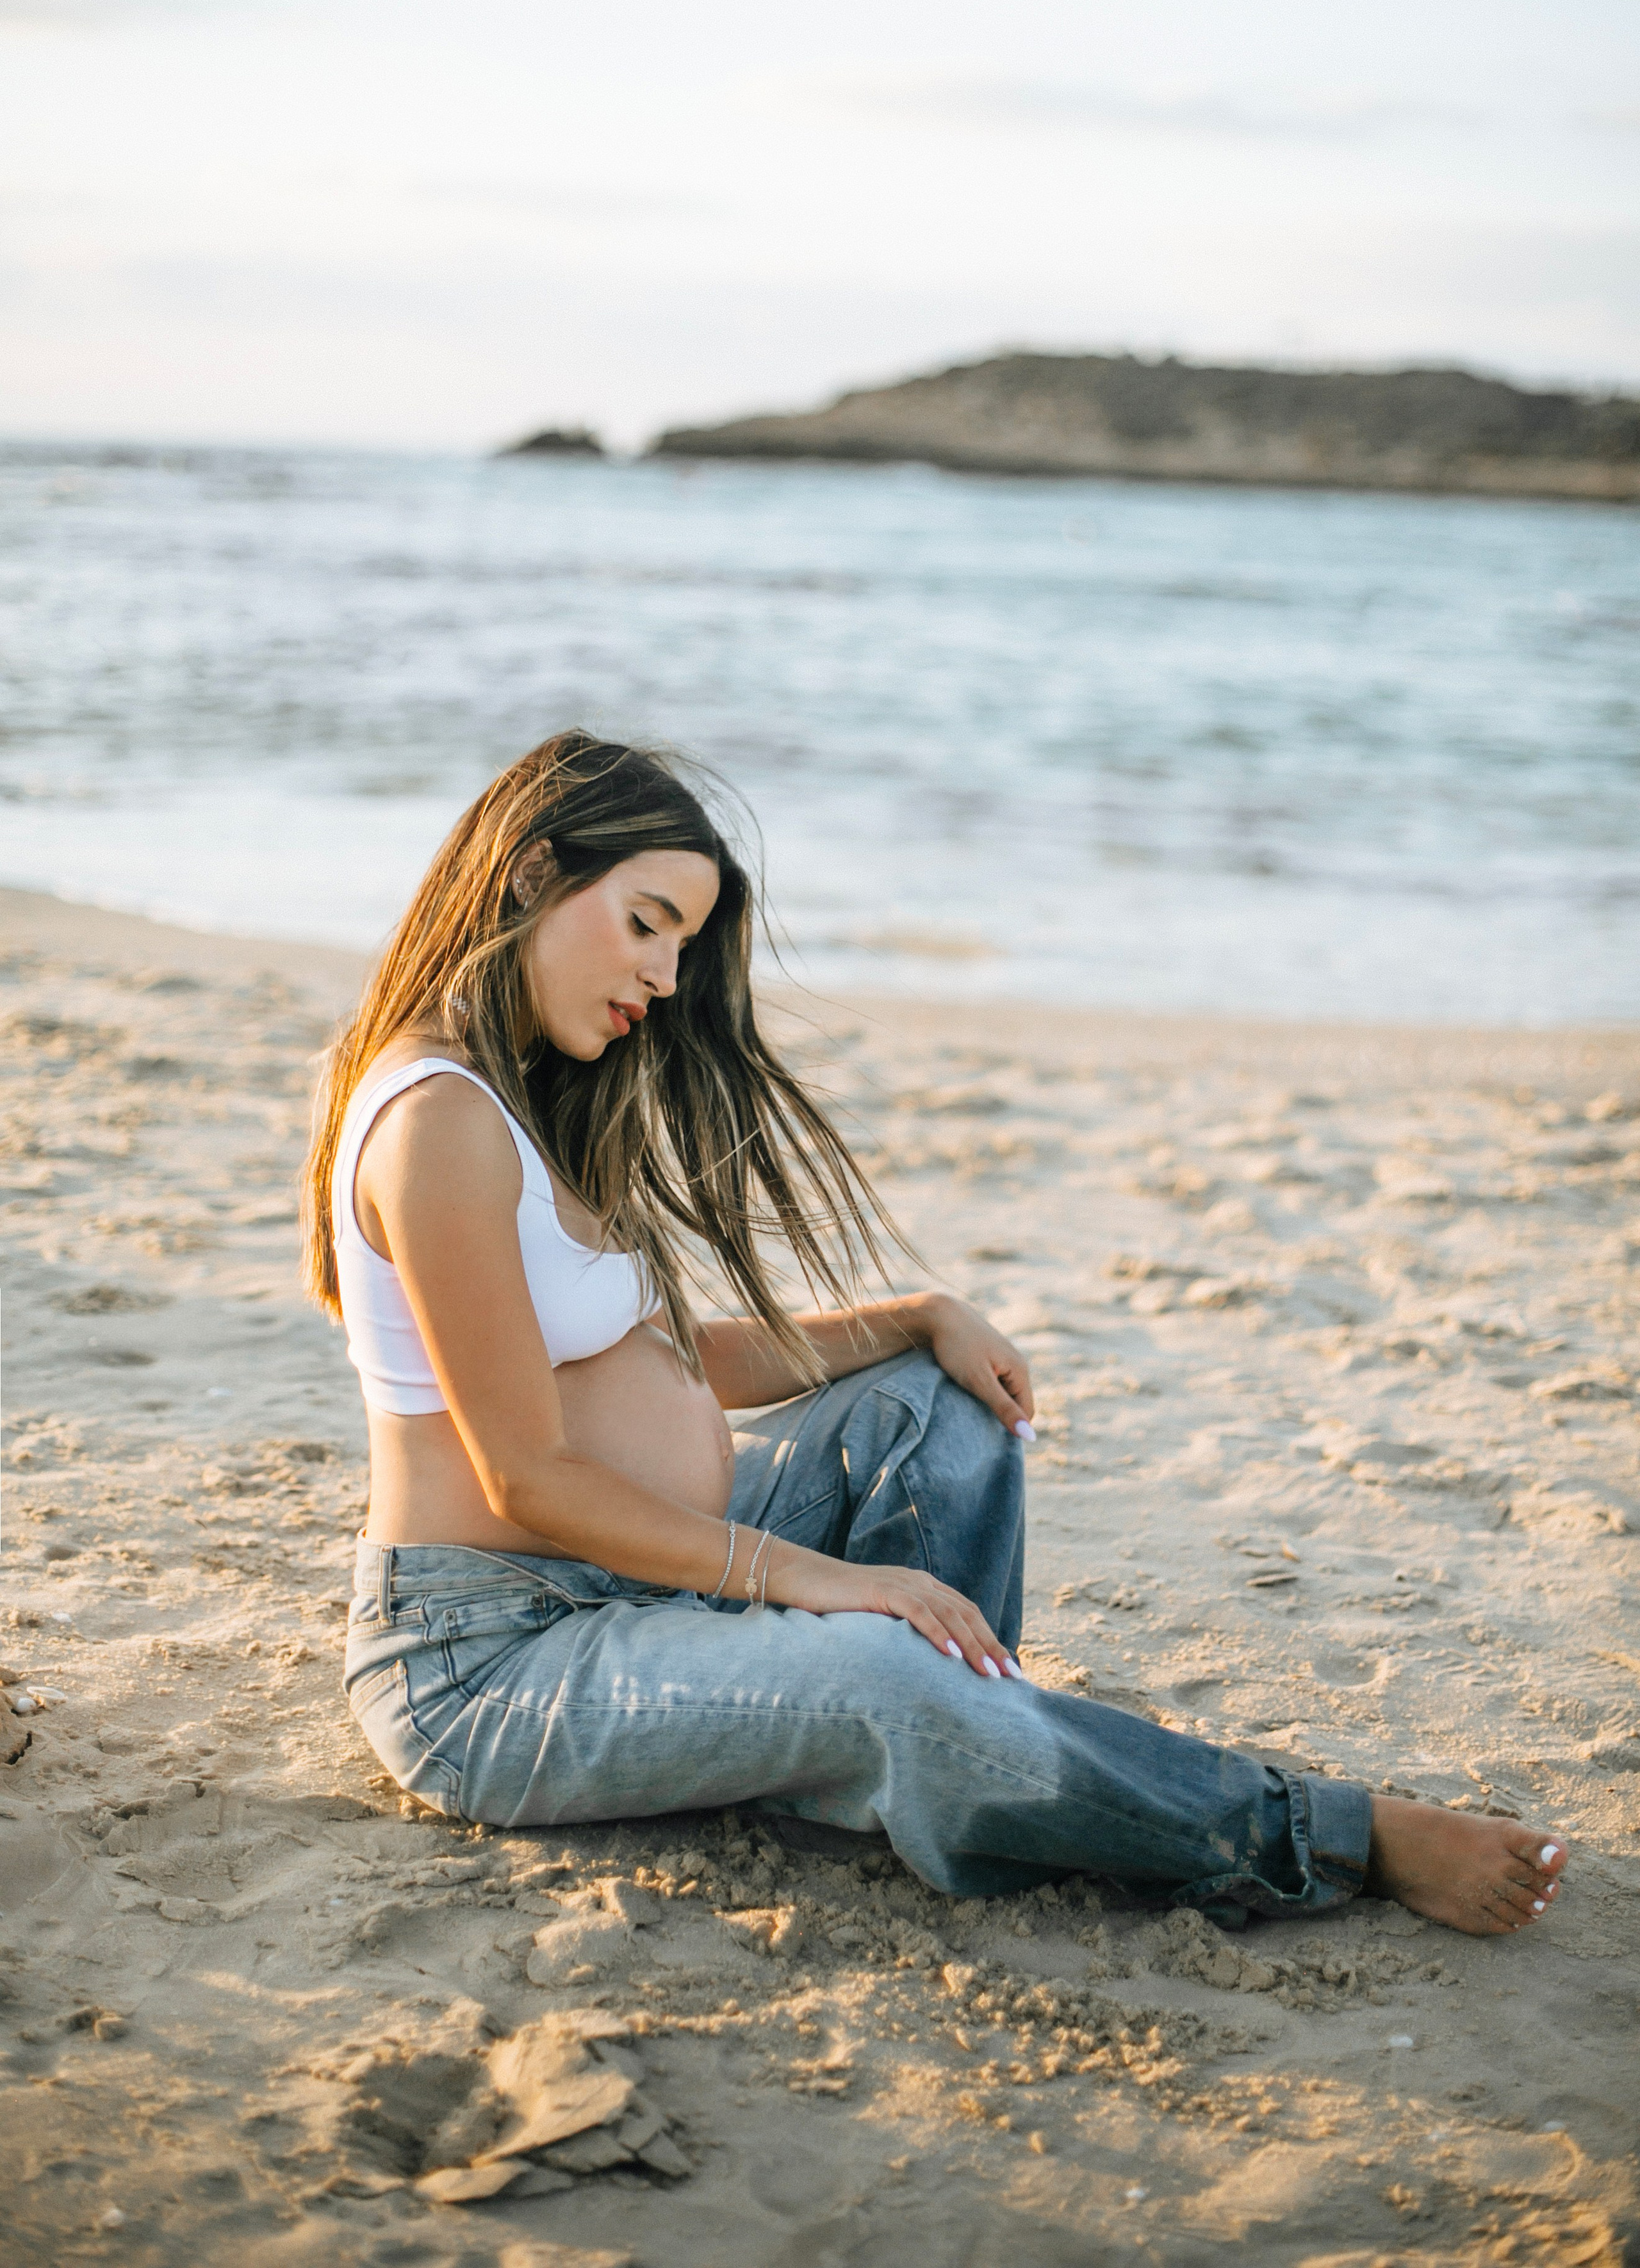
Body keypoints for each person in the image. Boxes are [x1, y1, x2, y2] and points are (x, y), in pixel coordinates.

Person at [306, 731, 1566, 1936]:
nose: (663, 978)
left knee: (933, 1400)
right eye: (644, 925)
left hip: (640, 1588)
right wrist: (822, 1582)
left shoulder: (525, 1101)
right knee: (880, 1672)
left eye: (681, 946)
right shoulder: (437, 1122)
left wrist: (916, 1318)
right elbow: (528, 1474)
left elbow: (660, 1358)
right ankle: (1325, 1834)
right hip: (495, 1664)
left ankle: (921, 1746)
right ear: (534, 870)